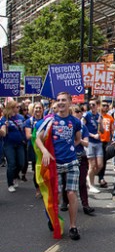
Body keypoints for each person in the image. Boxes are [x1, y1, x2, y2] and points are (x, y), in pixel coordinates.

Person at [35, 92, 82, 240]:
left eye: (63, 100)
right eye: (58, 100)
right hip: (54, 164)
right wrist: (45, 152)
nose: (60, 103)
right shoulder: (49, 121)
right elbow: (38, 138)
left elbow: (78, 139)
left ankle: (73, 227)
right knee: (55, 195)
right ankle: (52, 217)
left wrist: (70, 149)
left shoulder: (75, 121)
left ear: (69, 102)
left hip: (72, 161)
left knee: (71, 193)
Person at [62, 105, 95, 216]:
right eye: (76, 111)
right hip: (68, 157)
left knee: (81, 182)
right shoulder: (65, 125)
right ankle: (65, 201)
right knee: (66, 181)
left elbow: (86, 143)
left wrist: (78, 138)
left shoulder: (82, 127)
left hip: (80, 156)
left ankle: (85, 205)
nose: (79, 113)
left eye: (80, 111)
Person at [0, 100, 26, 193]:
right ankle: (10, 183)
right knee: (11, 164)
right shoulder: (5, 118)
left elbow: (24, 128)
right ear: (11, 108)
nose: (18, 108)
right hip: (9, 144)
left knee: (21, 163)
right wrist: (4, 128)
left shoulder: (21, 117)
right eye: (16, 107)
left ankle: (15, 176)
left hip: (19, 143)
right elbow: (3, 132)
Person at [82, 98, 104, 193]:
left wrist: (100, 124)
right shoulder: (87, 115)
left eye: (93, 104)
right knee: (92, 165)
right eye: (90, 104)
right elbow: (82, 128)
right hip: (90, 142)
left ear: (97, 105)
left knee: (100, 165)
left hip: (98, 142)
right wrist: (92, 135)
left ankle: (88, 176)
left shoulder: (99, 116)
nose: (91, 106)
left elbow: (102, 130)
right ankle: (91, 185)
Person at [24, 102, 44, 198]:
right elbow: (28, 135)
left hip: (44, 148)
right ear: (33, 110)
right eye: (36, 108)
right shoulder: (29, 121)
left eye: (40, 108)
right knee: (36, 169)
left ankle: (45, 187)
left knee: (45, 169)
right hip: (33, 148)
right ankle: (38, 188)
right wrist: (39, 136)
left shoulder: (46, 121)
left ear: (43, 109)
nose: (38, 110)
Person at [97, 101, 114, 187]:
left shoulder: (110, 118)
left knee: (103, 161)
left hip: (105, 142)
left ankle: (101, 178)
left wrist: (113, 138)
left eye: (107, 106)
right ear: (99, 106)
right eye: (103, 105)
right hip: (95, 141)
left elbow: (112, 130)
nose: (105, 107)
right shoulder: (96, 116)